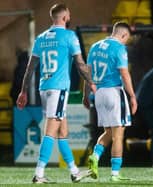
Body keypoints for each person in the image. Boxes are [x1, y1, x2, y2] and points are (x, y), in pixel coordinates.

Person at [16, 3, 96, 184]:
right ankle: (39, 173)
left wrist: (23, 91)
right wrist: (91, 82)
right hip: (58, 89)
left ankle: (74, 171)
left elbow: (30, 68)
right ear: (65, 17)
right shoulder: (69, 36)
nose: (70, 16)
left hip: (44, 88)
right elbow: (80, 64)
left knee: (62, 131)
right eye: (69, 14)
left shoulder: (41, 38)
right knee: (51, 130)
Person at [83, 22, 137, 181]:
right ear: (124, 35)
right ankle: (115, 173)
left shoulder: (95, 47)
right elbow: (124, 73)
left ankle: (95, 156)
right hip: (114, 92)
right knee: (118, 135)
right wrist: (132, 96)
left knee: (108, 132)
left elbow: (88, 73)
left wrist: (85, 95)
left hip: (98, 93)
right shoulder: (119, 48)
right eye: (127, 39)